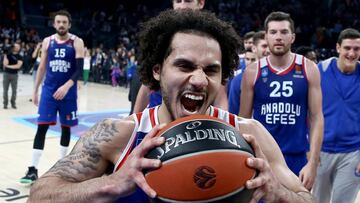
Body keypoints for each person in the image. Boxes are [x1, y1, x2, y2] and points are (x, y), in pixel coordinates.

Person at [28, 9, 315, 203]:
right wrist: (113, 182)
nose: (200, 80)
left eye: (212, 70)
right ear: (157, 71)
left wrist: (277, 192)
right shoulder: (120, 133)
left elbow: (306, 198)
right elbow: (39, 195)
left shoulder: (249, 134)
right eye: (184, 66)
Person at [240, 11, 324, 190]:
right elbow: (243, 121)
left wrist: (313, 163)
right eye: (273, 32)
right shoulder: (252, 72)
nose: (279, 37)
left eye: (284, 32)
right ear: (266, 36)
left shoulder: (309, 68)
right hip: (262, 157)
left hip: (297, 158)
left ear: (292, 37)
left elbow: (317, 117)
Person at [20, 10, 85, 184]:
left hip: (68, 93)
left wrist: (67, 85)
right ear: (54, 24)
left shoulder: (77, 42)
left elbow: (79, 69)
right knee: (41, 128)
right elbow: (42, 68)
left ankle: (62, 167)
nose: (61, 25)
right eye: (58, 22)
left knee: (66, 128)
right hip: (49, 91)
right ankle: (32, 169)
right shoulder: (47, 41)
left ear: (69, 24)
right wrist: (35, 91)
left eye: (64, 22)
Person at [134, 0, 228, 113]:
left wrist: (224, 128)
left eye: (188, 1)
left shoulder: (214, 43)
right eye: (178, 1)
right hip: (158, 119)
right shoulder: (163, 38)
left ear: (201, 3)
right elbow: (147, 87)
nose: (182, 6)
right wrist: (136, 123)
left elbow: (220, 97)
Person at [312, 28, 360, 203]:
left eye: (356, 49)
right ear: (338, 48)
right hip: (320, 151)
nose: (351, 53)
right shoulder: (320, 70)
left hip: (353, 153)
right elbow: (307, 110)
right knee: (317, 200)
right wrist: (309, 148)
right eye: (347, 48)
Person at [228, 31, 269, 115]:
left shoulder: (283, 77)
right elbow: (233, 114)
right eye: (264, 46)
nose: (268, 50)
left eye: (269, 46)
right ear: (254, 48)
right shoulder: (239, 79)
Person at [2, 42, 23, 109]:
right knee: (5, 90)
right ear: (13, 47)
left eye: (18, 47)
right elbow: (5, 64)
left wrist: (8, 66)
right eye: (16, 46)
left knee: (14, 90)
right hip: (6, 74)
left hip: (14, 75)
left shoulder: (20, 56)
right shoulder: (8, 54)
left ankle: (13, 103)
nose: (17, 48)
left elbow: (18, 66)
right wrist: (5, 55)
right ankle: (5, 103)